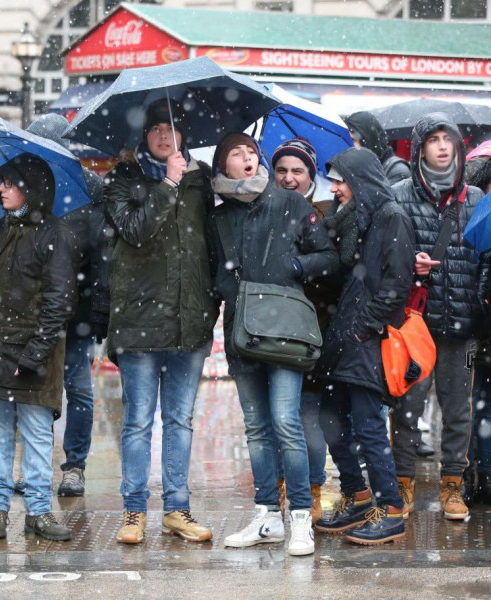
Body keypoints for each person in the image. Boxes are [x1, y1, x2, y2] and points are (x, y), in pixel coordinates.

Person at [208, 132, 338, 556]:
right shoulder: (220, 217)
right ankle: (267, 516)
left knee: (286, 423)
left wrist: (295, 266)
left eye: (250, 152)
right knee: (257, 430)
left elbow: (329, 259)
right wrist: (233, 288)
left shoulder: (290, 204)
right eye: (235, 154)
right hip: (242, 333)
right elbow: (215, 273)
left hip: (285, 332)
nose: (245, 159)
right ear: (223, 167)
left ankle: (300, 517)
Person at [104, 99, 217, 544]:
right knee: (137, 422)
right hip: (138, 320)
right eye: (155, 128)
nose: (164, 135)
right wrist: (167, 184)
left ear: (183, 135)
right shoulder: (122, 179)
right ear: (143, 136)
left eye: (171, 127)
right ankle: (134, 511)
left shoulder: (202, 180)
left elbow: (211, 241)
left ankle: (177, 508)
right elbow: (134, 231)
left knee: (180, 420)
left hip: (189, 318)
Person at [0, 152, 77, 542]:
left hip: (33, 355)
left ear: (30, 186)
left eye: (8, 183)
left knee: (37, 433)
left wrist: (33, 355)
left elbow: (59, 301)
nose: (0, 189)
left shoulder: (54, 234)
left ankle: (39, 512)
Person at [390, 113, 489, 521]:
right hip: (416, 323)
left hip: (463, 327)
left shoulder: (474, 200)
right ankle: (402, 482)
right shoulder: (398, 196)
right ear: (420, 148)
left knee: (458, 408)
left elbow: (486, 257)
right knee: (407, 406)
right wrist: (409, 264)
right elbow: (384, 254)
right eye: (433, 139)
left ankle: (453, 484)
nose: (443, 146)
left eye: (448, 139)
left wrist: (480, 298)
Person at [315, 147, 415, 545]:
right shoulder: (366, 217)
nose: (335, 188)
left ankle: (390, 508)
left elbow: (396, 284)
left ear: (359, 180)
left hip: (367, 341)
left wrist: (364, 328)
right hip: (348, 340)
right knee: (331, 417)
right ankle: (357, 496)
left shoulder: (392, 216)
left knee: (369, 426)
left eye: (341, 180)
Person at [26, 113, 111, 497]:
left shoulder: (90, 188)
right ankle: (37, 466)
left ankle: (74, 466)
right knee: (36, 391)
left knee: (76, 389)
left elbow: (101, 256)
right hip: (33, 310)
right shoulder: (22, 190)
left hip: (76, 311)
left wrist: (97, 314)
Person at [270, 137, 338, 520]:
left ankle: (312, 489)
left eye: (297, 171)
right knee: (277, 417)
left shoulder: (324, 216)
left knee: (306, 415)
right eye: (281, 170)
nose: (289, 177)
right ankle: (281, 486)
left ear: (311, 176)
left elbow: (333, 271)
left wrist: (298, 268)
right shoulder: (261, 210)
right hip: (268, 330)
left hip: (312, 332)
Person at [462, 146, 491, 506]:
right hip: (480, 338)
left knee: (478, 405)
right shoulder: (482, 218)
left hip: (477, 337)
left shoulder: (477, 217)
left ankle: (478, 475)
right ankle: (480, 475)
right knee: (478, 405)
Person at [344, 111, 411, 184]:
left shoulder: (397, 171)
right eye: (346, 140)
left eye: (352, 140)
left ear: (367, 139)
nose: (349, 145)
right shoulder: (357, 166)